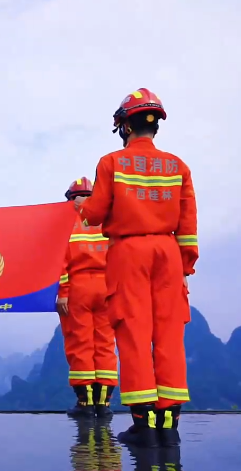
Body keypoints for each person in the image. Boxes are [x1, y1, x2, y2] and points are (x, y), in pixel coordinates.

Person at [75, 88, 198, 448]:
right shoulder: (178, 166)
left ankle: (144, 424)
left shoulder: (111, 162)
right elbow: (188, 224)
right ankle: (169, 424)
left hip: (129, 253)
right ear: (155, 125)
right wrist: (184, 267)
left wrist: (81, 209)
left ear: (125, 127)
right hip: (168, 253)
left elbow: (96, 212)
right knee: (170, 335)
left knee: (133, 333)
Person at [58, 177, 118, 419]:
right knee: (105, 344)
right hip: (106, 287)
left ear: (70, 198)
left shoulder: (65, 223)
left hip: (78, 288)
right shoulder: (107, 221)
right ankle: (103, 404)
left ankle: (85, 403)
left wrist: (63, 293)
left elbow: (60, 261)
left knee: (79, 343)